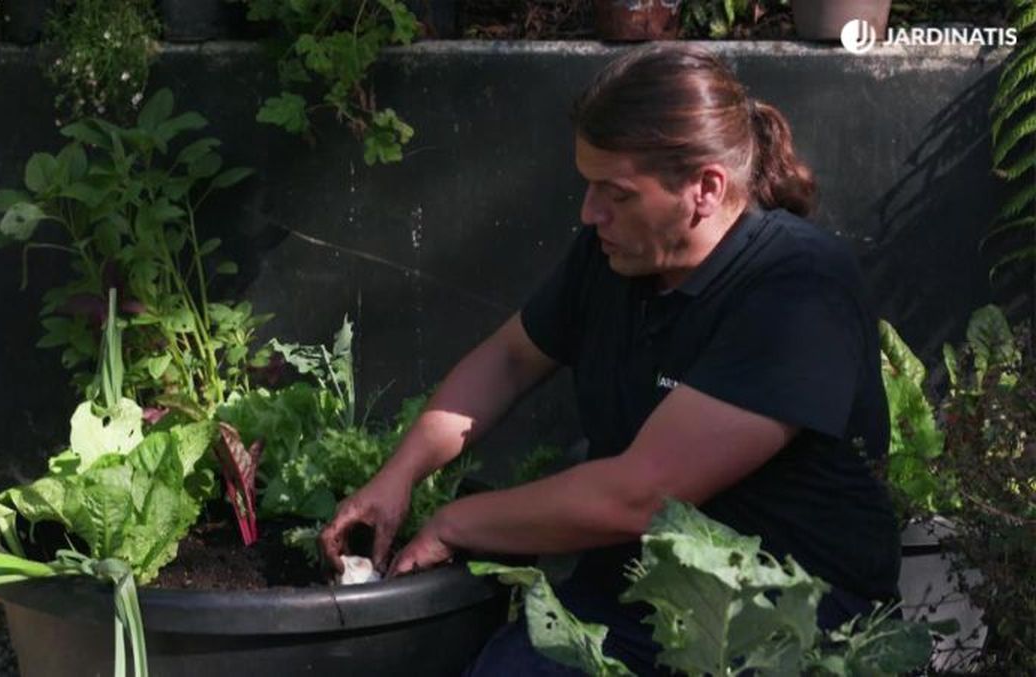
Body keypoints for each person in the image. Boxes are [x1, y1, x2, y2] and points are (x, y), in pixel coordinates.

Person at [320, 44, 901, 674]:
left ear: (705, 188)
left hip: (783, 619)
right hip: (630, 601)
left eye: (615, 193)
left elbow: (642, 496)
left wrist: (459, 522)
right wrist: (398, 477)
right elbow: (510, 361)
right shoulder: (612, 258)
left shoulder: (798, 286)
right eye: (588, 185)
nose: (589, 211)